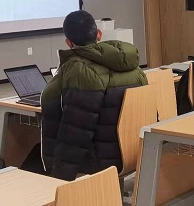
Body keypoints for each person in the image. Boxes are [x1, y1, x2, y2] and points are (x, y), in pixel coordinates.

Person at [36, 10, 148, 180]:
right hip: (136, 150)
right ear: (99, 34)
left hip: (101, 160)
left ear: (68, 43)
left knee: (32, 164)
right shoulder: (132, 65)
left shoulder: (80, 71)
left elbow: (76, 132)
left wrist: (59, 176)